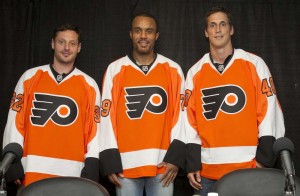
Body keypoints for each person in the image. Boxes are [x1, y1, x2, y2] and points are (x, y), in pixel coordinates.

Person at [184, 6, 285, 196]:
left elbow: (269, 111)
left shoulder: (254, 64)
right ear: (206, 32)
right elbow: (189, 121)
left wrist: (264, 159)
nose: (218, 29)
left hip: (248, 169)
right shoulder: (194, 72)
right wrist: (192, 162)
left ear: (231, 29)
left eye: (223, 24)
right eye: (212, 25)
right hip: (208, 172)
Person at [2, 24, 101, 186]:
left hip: (73, 174)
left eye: (72, 43)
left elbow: (94, 130)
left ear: (79, 47)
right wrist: (12, 160)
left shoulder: (89, 84)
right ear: (53, 44)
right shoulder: (30, 77)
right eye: (61, 42)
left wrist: (92, 165)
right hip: (31, 171)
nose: (67, 48)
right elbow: (15, 122)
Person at [99, 13, 186, 196]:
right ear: (131, 34)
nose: (143, 36)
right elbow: (106, 117)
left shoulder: (173, 69)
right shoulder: (115, 69)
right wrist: (110, 160)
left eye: (149, 31)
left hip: (163, 167)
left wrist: (176, 157)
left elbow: (181, 115)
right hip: (125, 167)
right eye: (138, 30)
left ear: (156, 35)